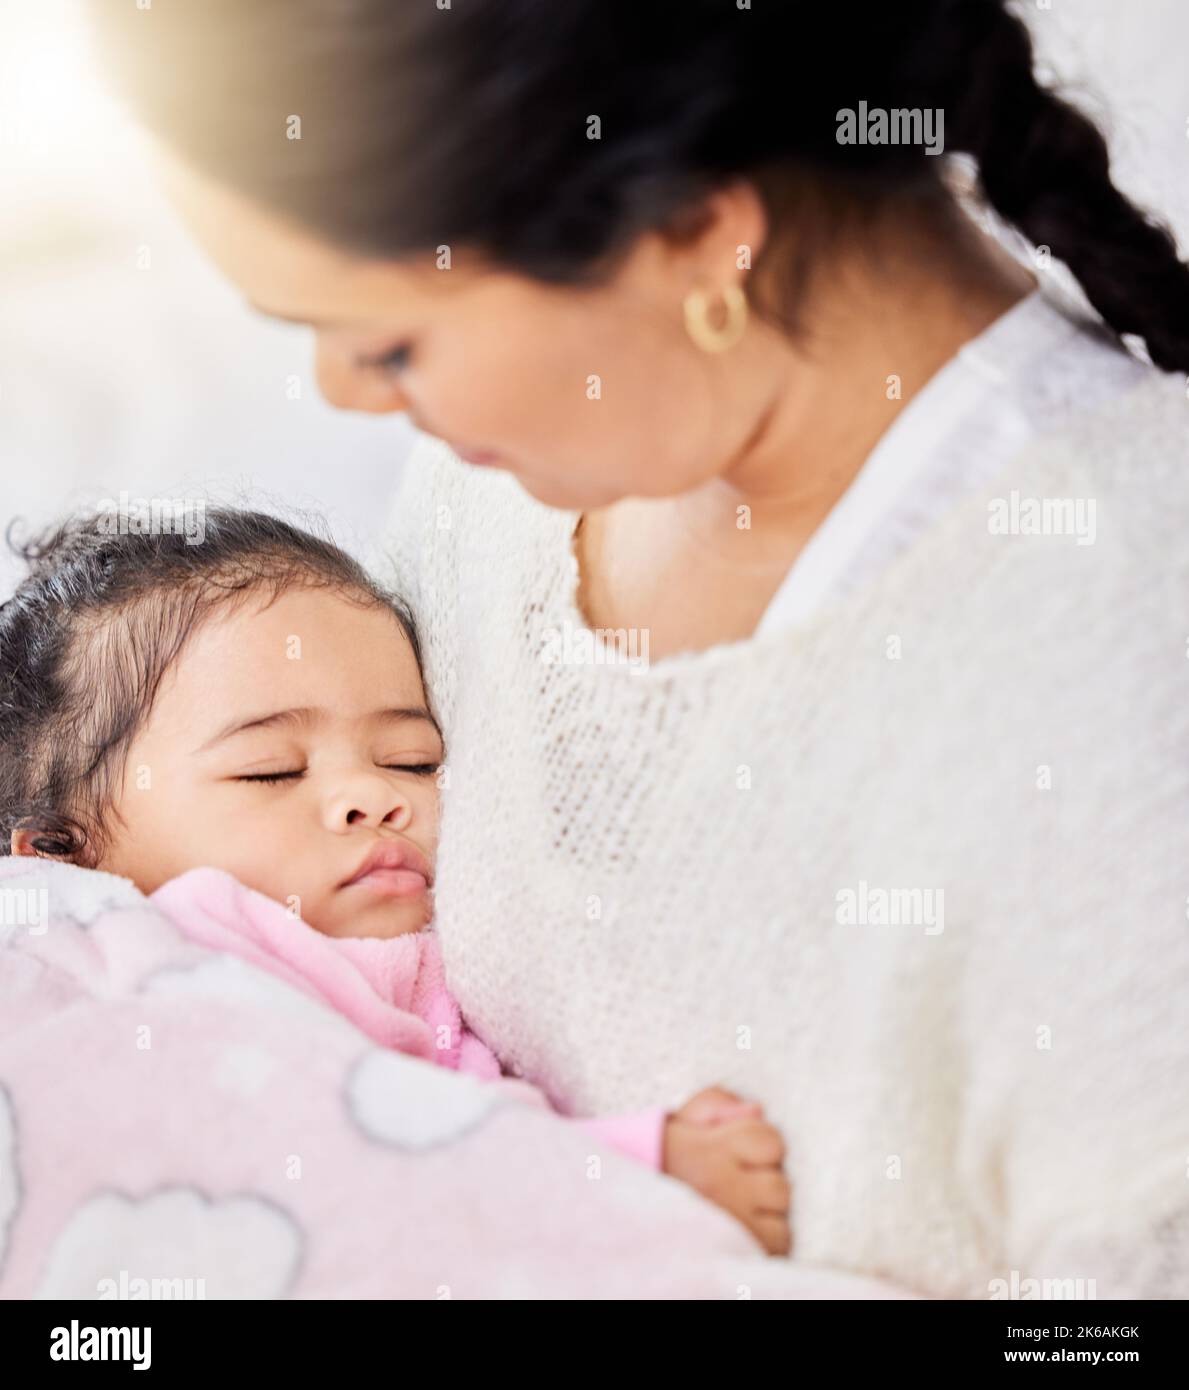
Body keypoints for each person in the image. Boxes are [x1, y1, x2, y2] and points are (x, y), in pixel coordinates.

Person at [87, 0, 1189, 1295]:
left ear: (693, 233)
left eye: (384, 342)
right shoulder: (510, 483)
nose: (343, 395)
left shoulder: (1118, 694)